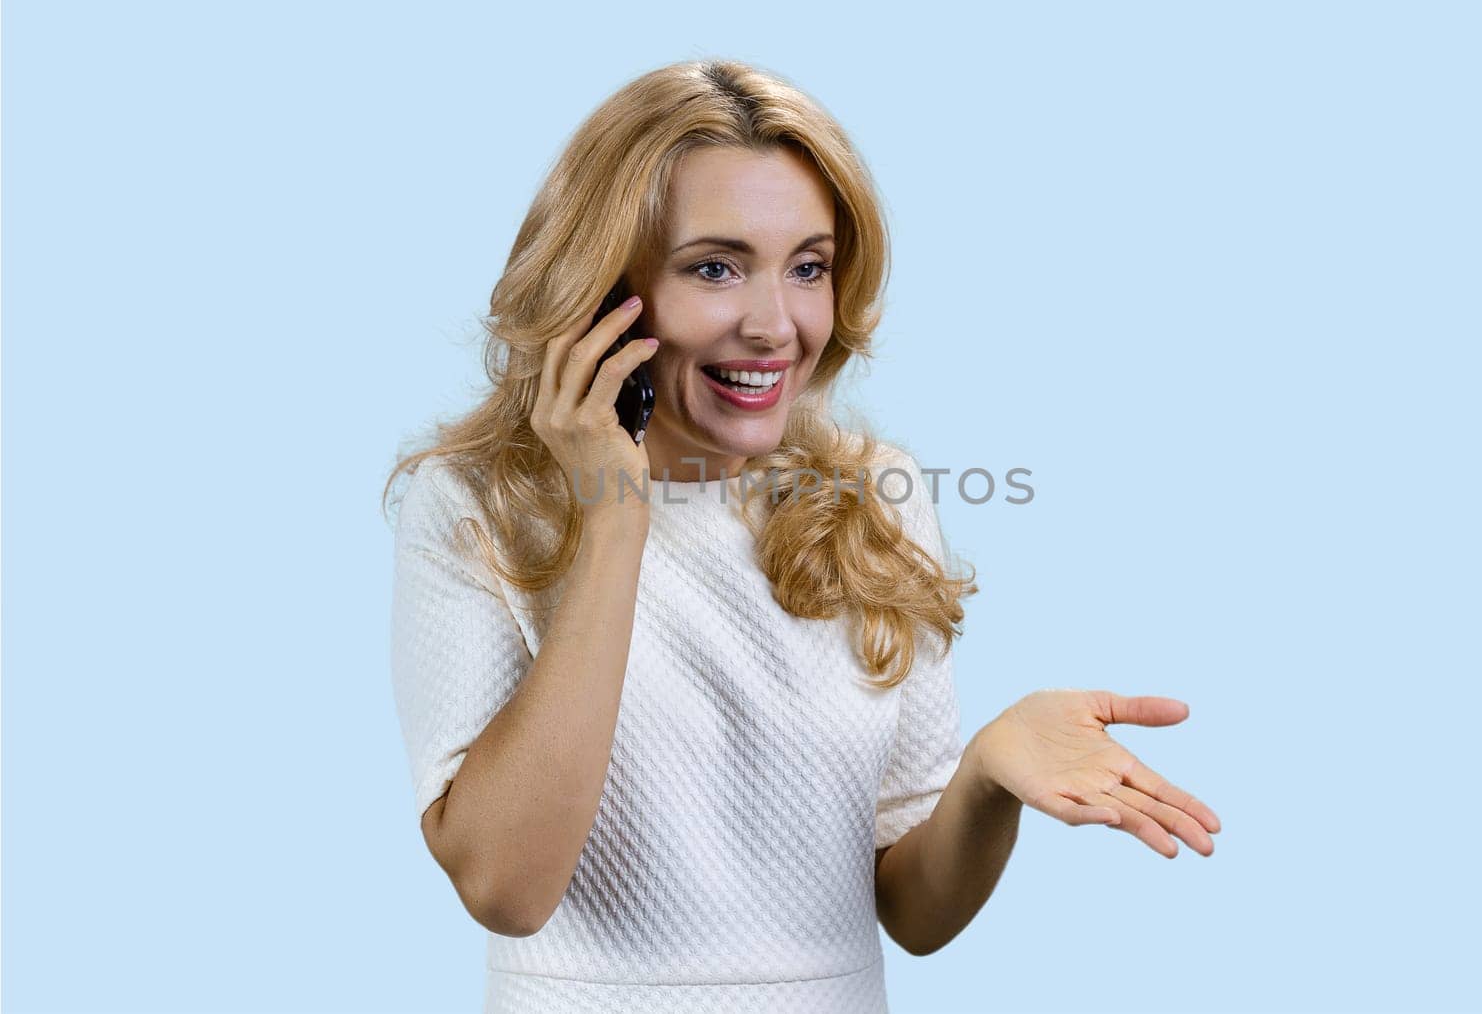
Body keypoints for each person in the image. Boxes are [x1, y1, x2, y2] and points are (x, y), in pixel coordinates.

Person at [384, 58, 1222, 1014]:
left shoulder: (876, 495)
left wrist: (987, 775)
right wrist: (614, 517)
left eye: (809, 268)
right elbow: (505, 888)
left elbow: (910, 911)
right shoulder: (474, 505)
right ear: (602, 292)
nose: (777, 326)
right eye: (715, 267)